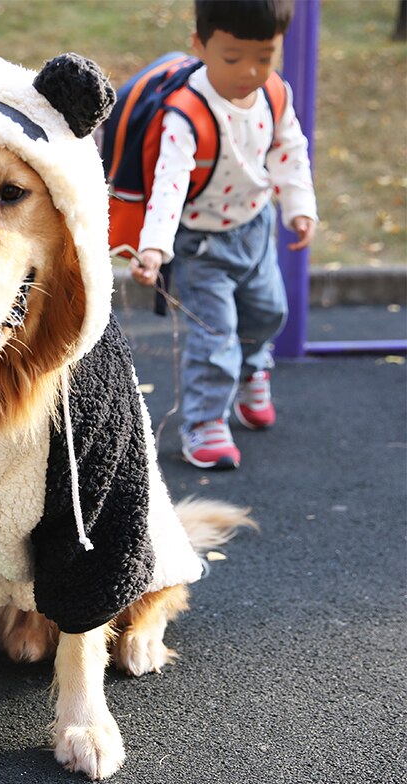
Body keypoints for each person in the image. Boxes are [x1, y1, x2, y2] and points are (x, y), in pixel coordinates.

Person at [130, 0, 317, 469]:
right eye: (232, 58)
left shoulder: (274, 93)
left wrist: (299, 207)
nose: (249, 72)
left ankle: (254, 369)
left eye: (264, 56)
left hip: (255, 228)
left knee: (268, 313)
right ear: (200, 45)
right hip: (200, 246)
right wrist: (154, 248)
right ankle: (205, 422)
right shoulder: (187, 112)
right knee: (214, 336)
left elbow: (289, 150)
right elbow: (169, 184)